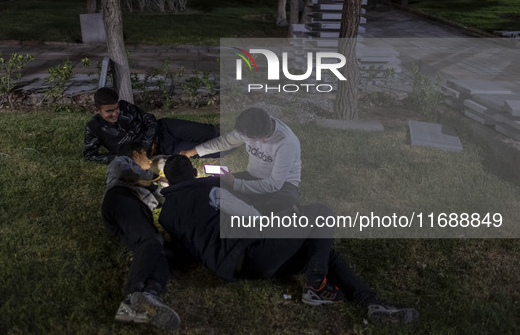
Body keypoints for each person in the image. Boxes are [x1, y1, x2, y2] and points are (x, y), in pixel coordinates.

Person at [158, 155, 419, 324]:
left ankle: (371, 303)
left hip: (236, 269)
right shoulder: (208, 188)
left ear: (168, 181)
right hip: (252, 250)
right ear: (194, 172)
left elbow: (187, 246)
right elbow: (250, 215)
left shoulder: (166, 215)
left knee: (321, 250)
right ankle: (317, 284)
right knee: (321, 214)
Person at [101, 142, 180, 329]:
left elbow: (163, 196)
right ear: (136, 154)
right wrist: (152, 177)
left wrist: (156, 185)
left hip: (138, 212)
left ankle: (150, 295)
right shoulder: (121, 162)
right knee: (151, 240)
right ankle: (132, 297)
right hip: (121, 200)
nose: (148, 162)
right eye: (147, 157)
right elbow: (126, 174)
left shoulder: (148, 182)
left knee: (158, 247)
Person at [180, 107, 301, 214]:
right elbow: (225, 142)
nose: (240, 136)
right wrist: (193, 151)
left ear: (259, 138)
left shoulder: (286, 143)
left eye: (244, 136)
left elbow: (273, 184)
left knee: (278, 205)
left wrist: (234, 183)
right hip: (253, 176)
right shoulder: (252, 124)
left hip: (283, 186)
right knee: (211, 185)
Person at [84, 87, 219, 164]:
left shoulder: (125, 106)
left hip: (166, 128)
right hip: (164, 148)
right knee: (216, 151)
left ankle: (237, 131)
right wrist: (124, 157)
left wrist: (145, 143)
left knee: (211, 132)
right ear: (97, 110)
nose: (115, 114)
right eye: (109, 111)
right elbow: (90, 155)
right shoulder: (94, 128)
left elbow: (150, 119)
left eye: (116, 109)